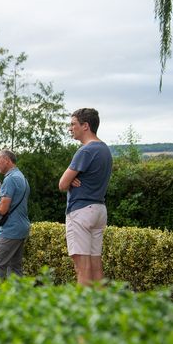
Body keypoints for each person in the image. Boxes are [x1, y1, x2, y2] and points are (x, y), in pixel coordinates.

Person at [58, 108, 113, 286]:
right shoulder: (105, 149)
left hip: (81, 212)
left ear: (85, 126)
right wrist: (73, 178)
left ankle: (83, 313)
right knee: (96, 267)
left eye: (73, 124)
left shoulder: (85, 151)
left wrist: (71, 178)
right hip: (99, 210)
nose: (70, 128)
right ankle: (101, 310)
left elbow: (62, 184)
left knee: (82, 268)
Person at [0, 149, 30, 279]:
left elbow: (3, 209)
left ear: (7, 160)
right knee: (15, 268)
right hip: (21, 228)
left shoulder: (10, 179)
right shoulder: (22, 178)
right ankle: (16, 297)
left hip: (10, 230)